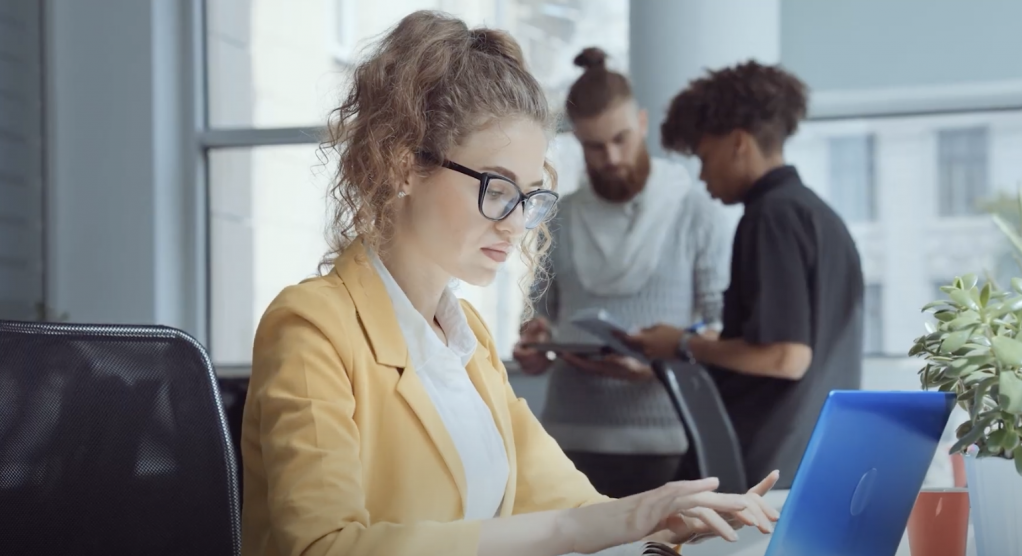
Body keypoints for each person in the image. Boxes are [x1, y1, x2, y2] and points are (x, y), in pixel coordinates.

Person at [239, 12, 779, 556]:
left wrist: (667, 520)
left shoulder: (466, 339)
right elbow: (320, 547)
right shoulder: (312, 326)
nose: (517, 223)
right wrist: (605, 523)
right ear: (403, 165)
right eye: (497, 187)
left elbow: (574, 508)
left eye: (529, 195)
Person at [625, 61, 864, 490]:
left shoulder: (769, 217)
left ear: (738, 143)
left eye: (704, 156)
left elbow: (786, 356)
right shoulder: (822, 218)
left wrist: (682, 344)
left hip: (757, 468)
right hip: (812, 462)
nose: (702, 175)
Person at [512, 47, 732, 498]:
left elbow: (722, 327)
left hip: (671, 441)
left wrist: (658, 366)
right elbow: (536, 315)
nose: (611, 157)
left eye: (622, 139)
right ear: (577, 142)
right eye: (595, 145)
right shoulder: (560, 216)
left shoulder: (695, 212)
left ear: (643, 125)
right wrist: (535, 346)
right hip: (569, 443)